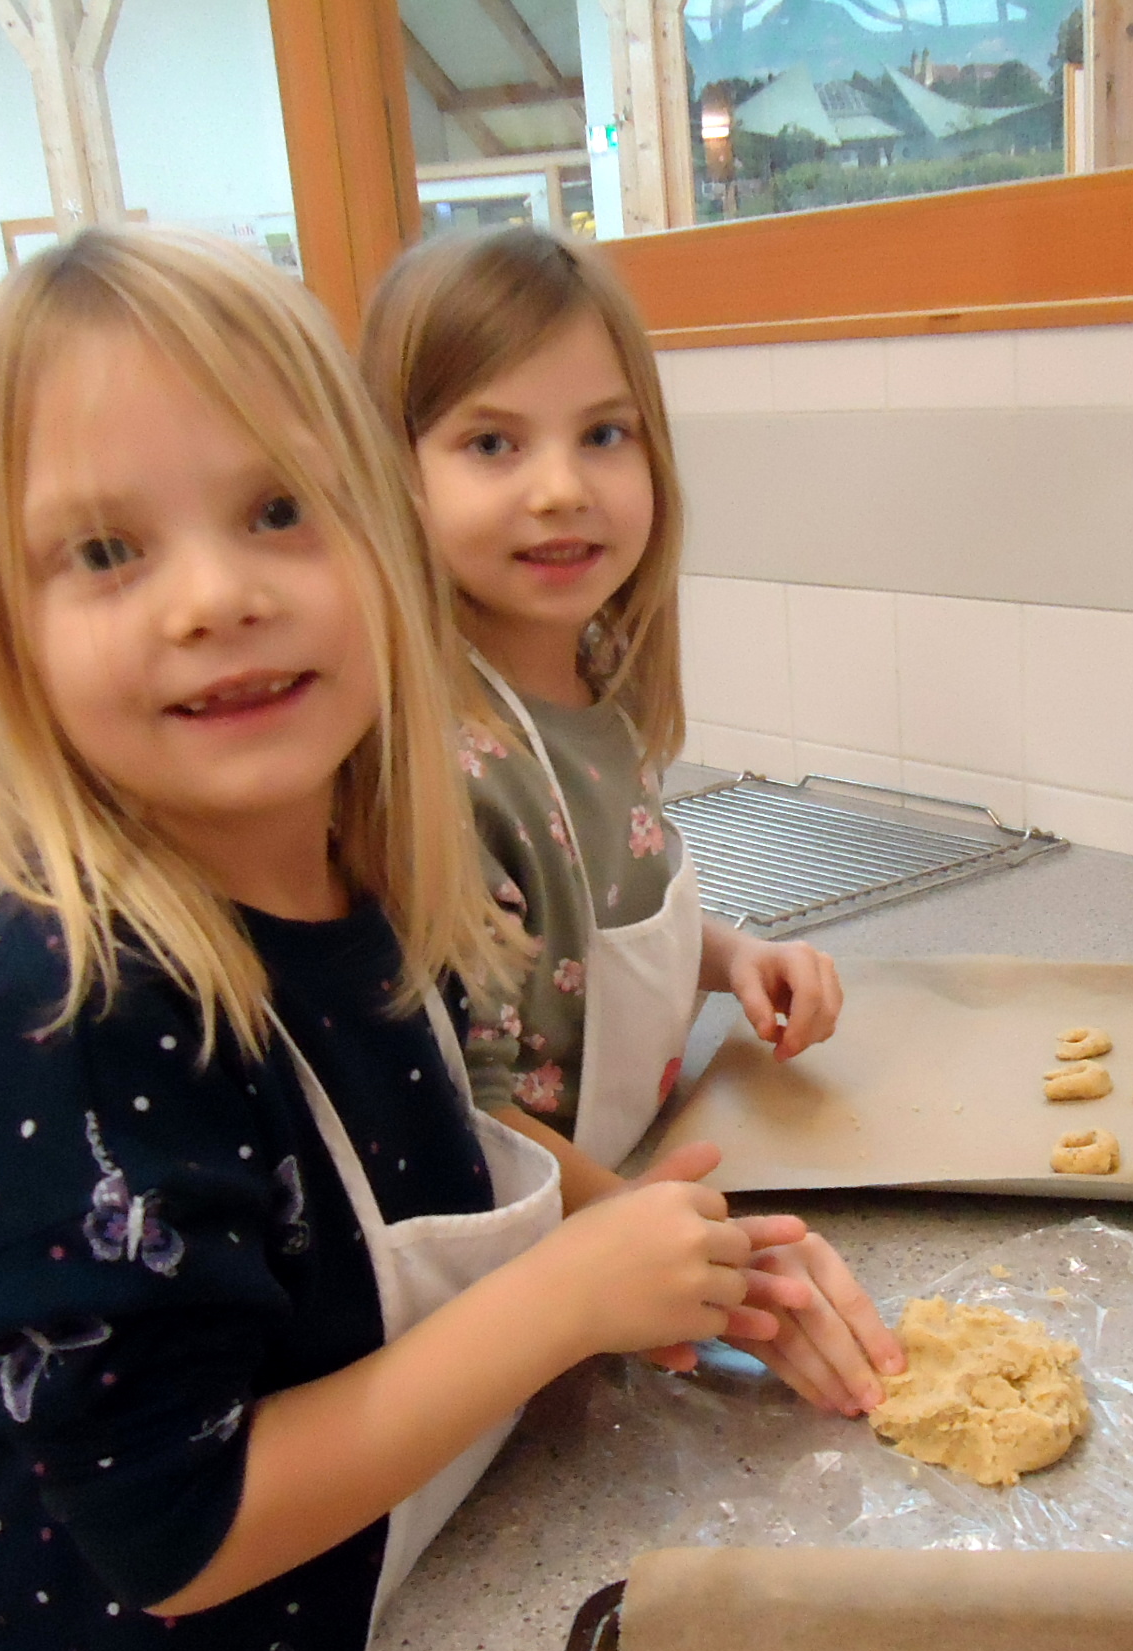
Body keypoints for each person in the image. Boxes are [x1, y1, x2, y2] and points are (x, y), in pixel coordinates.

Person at [0, 226, 806, 1651]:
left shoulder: (336, 880)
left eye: (280, 510)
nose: (214, 591)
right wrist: (558, 1305)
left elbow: (429, 1132)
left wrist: (647, 1237)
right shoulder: (56, 1050)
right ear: (3, 634)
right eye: (104, 549)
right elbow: (183, 1522)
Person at [360, 227, 902, 1418]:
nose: (562, 486)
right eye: (491, 442)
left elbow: (597, 906)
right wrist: (662, 1246)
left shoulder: (589, 679)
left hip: (630, 1211)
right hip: (530, 1283)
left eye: (604, 434)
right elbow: (470, 1109)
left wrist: (735, 957)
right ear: (393, 474)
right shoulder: (451, 770)